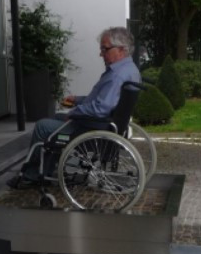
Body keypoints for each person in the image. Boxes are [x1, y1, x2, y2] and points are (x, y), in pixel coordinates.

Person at [8, 26, 141, 187]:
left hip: (92, 128)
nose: (101, 54)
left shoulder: (117, 75)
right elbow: (104, 101)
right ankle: (48, 167)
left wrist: (74, 112)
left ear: (121, 49)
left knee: (42, 126)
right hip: (103, 125)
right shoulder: (129, 69)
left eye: (104, 49)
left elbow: (100, 109)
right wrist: (77, 100)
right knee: (55, 118)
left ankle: (32, 176)